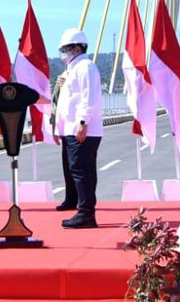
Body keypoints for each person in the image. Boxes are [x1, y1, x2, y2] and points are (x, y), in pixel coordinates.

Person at [52, 28, 103, 229]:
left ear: (76, 48)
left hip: (83, 129)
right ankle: (81, 207)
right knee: (76, 169)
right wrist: (59, 128)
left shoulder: (86, 67)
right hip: (71, 129)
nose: (63, 54)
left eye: (65, 49)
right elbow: (65, 103)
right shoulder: (71, 69)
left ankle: (86, 214)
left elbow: (89, 98)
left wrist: (83, 123)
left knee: (82, 170)